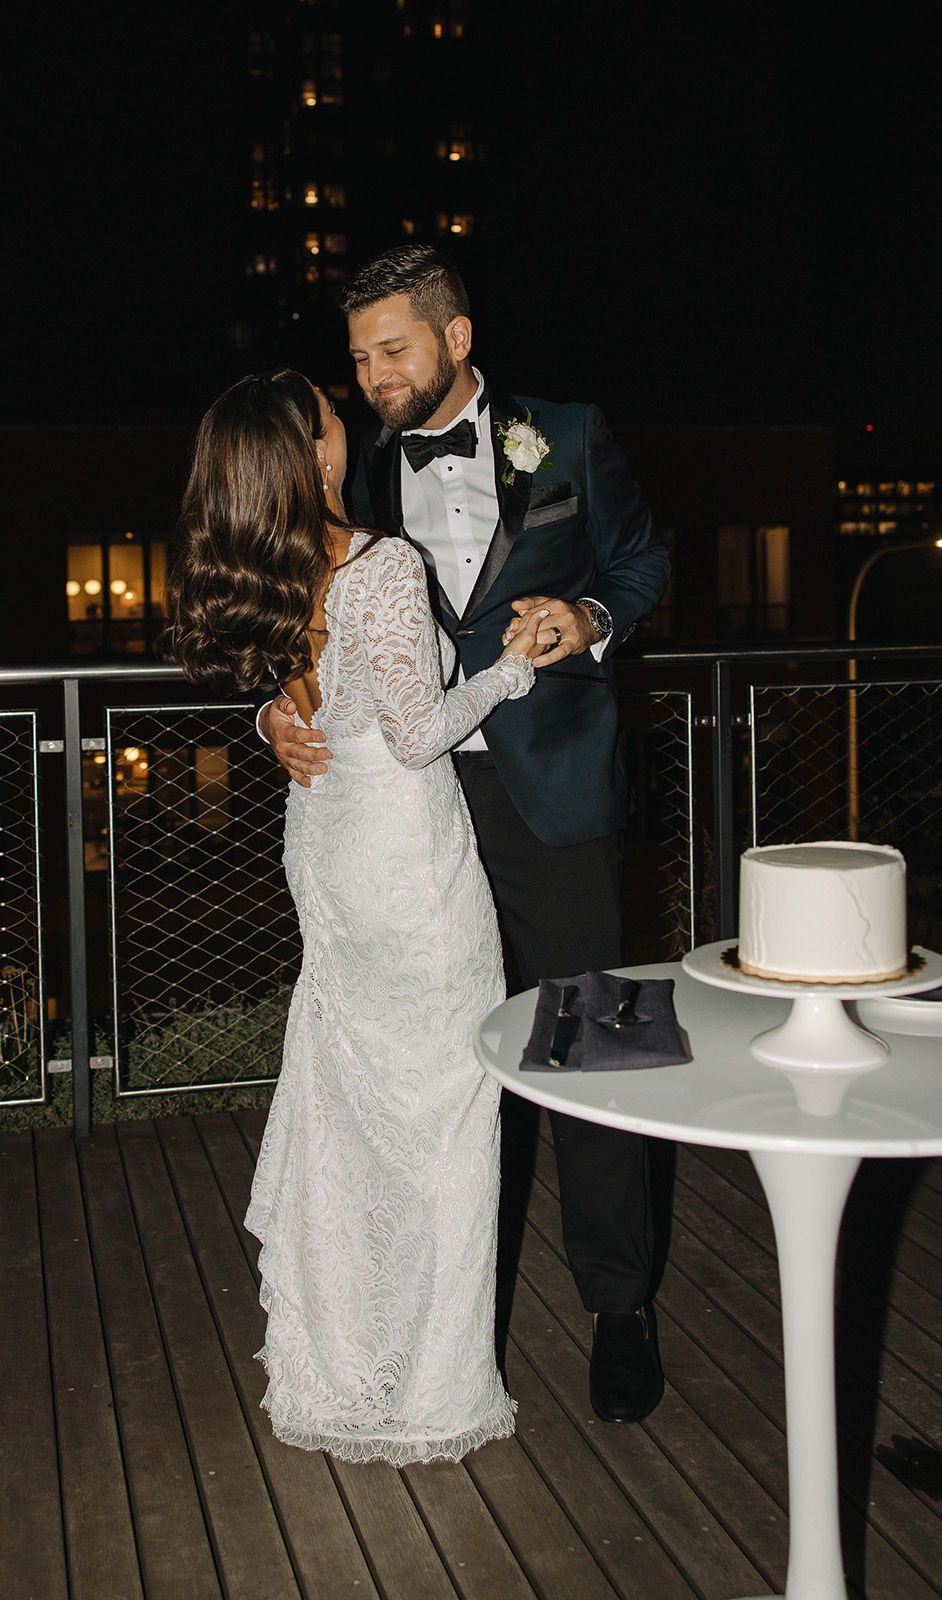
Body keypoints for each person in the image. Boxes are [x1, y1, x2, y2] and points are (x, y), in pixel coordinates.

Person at [262, 246, 673, 1423]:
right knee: (432, 1069)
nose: (371, 374)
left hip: (554, 797)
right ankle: (432, 1315)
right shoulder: (351, 474)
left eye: (389, 349)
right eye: (356, 356)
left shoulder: (569, 431)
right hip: (410, 817)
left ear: (454, 337)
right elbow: (292, 608)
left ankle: (618, 1304)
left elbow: (646, 561)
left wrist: (589, 613)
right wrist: (267, 708)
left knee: (591, 1047)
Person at [165, 368, 547, 1465]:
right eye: (333, 418)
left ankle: (343, 1356)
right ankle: (432, 1386)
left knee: (353, 1107)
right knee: (448, 1112)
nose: (348, 421)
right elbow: (420, 732)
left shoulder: (265, 563)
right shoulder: (383, 562)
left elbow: (307, 690)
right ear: (316, 454)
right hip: (405, 865)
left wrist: (265, 711)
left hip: (324, 849)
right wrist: (511, 670)